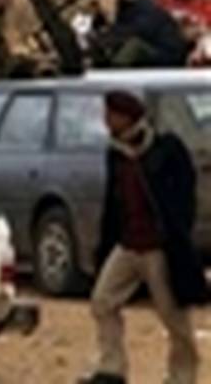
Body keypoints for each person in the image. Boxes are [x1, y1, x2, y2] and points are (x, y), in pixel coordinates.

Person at [80, 90, 206, 384]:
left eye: (112, 115)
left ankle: (182, 375)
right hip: (127, 245)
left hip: (158, 249)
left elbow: (185, 193)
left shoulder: (165, 149)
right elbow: (113, 204)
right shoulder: (116, 155)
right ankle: (112, 369)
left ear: (128, 118)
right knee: (102, 301)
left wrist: (177, 233)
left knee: (173, 317)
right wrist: (105, 245)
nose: (107, 121)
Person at [99, 0, 188, 68]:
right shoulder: (126, 9)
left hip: (167, 54)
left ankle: (114, 70)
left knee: (133, 47)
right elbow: (120, 28)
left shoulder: (147, 8)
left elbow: (137, 30)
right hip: (152, 49)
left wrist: (109, 37)